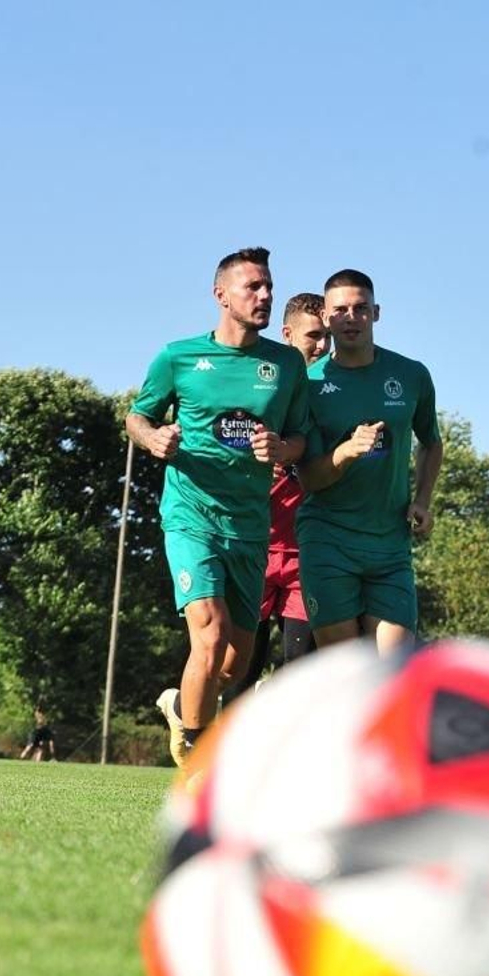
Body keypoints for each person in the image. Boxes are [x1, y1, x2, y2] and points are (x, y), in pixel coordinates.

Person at [128, 247, 311, 768]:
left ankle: (180, 707)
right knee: (206, 635)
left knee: (233, 663)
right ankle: (195, 754)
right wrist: (153, 438)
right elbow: (136, 416)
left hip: (249, 526)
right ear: (221, 295)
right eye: (253, 287)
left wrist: (283, 449)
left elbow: (300, 437)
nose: (265, 296)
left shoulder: (285, 364)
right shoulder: (178, 358)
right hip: (191, 516)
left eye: (268, 286)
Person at [297, 269, 443, 654]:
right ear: (327, 318)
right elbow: (309, 478)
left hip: (390, 544)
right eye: (340, 310)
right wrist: (345, 452)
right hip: (328, 541)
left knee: (393, 669)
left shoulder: (411, 375)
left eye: (361, 308)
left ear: (376, 313)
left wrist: (423, 499)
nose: (351, 318)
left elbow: (431, 441)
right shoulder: (308, 385)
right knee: (346, 672)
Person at [226, 293, 331, 698]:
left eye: (327, 339)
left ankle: (286, 761)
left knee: (299, 675)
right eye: (314, 336)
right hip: (253, 548)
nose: (322, 346)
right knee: (240, 671)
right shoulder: (259, 384)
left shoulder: (333, 393)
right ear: (287, 334)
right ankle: (200, 727)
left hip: (305, 552)